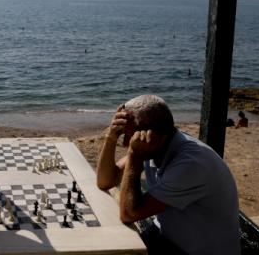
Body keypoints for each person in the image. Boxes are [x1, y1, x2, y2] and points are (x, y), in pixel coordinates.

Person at [96, 95, 239, 255]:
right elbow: (105, 181)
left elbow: (129, 214)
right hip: (169, 237)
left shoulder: (191, 164)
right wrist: (110, 137)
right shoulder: (156, 144)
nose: (125, 144)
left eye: (129, 136)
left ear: (152, 135)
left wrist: (134, 157)